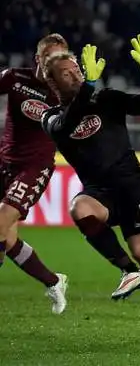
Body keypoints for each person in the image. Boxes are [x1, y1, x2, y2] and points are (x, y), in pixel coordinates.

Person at [41, 35, 140, 337]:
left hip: (132, 185)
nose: (76, 73)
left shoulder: (106, 99)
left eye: (77, 68)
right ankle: (128, 271)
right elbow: (68, 123)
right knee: (79, 207)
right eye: (66, 73)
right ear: (52, 83)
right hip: (99, 191)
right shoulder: (51, 117)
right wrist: (88, 87)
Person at [0, 34, 70, 314]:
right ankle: (54, 281)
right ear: (38, 58)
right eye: (51, 58)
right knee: (8, 238)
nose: (56, 64)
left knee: (1, 222)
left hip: (34, 167)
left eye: (61, 59)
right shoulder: (15, 77)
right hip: (4, 162)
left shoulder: (65, 94)